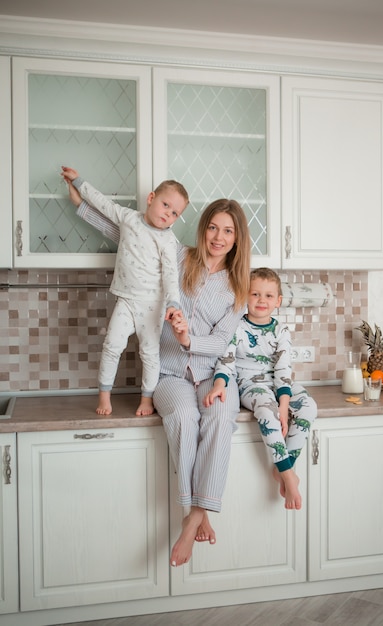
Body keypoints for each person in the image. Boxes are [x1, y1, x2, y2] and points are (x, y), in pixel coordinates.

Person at [69, 183, 252, 567]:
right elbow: (130, 234)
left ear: (238, 239)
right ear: (202, 229)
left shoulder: (238, 287)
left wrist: (189, 338)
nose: (219, 237)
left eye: (228, 231)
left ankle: (194, 519)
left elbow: (221, 342)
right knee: (184, 417)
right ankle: (195, 512)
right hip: (168, 373)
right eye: (213, 228)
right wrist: (83, 205)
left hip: (213, 375)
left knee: (220, 418)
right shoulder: (179, 255)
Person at [61, 166, 189, 417]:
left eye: (175, 213)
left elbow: (171, 274)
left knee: (150, 354)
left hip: (153, 305)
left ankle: (146, 399)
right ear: (151, 198)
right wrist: (79, 183)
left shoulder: (168, 241)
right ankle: (104, 396)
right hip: (126, 300)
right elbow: (103, 205)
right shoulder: (128, 218)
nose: (168, 214)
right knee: (111, 345)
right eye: (166, 205)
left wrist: (174, 302)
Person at [204, 267, 317, 510]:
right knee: (268, 413)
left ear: (278, 301)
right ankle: (288, 474)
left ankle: (284, 466)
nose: (261, 300)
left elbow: (283, 370)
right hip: (250, 384)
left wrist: (285, 405)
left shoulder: (281, 331)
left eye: (268, 296)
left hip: (278, 383)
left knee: (309, 406)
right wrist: (219, 385)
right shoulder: (236, 327)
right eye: (255, 294)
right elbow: (226, 360)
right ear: (245, 295)